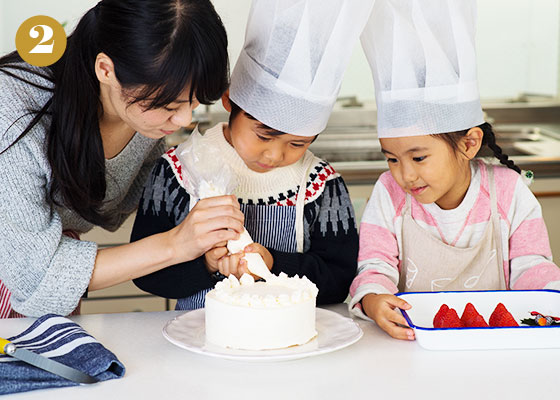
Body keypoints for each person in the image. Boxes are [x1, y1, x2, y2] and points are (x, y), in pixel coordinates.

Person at [0, 0, 245, 318]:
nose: (184, 120)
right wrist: (175, 245)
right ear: (106, 69)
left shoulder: (145, 120)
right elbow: (37, 278)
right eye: (170, 106)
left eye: (194, 102)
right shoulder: (14, 114)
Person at [131, 0, 376, 310]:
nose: (275, 154)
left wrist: (272, 263)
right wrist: (206, 265)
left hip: (291, 346)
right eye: (264, 135)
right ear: (230, 101)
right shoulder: (179, 171)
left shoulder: (322, 186)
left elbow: (339, 279)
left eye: (298, 144)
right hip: (198, 343)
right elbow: (146, 275)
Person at [349, 0, 560, 340]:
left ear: (468, 143)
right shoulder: (388, 192)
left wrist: (552, 295)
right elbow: (375, 265)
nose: (405, 175)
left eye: (418, 158)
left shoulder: (507, 191)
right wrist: (373, 299)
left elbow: (531, 266)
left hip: (495, 343)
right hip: (414, 344)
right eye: (391, 158)